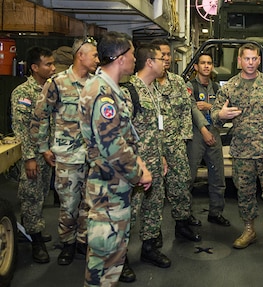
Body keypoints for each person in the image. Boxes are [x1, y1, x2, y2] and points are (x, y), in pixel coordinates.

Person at [78, 31, 152, 286]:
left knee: (112, 258)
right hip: (108, 189)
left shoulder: (110, 89)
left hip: (113, 186)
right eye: (132, 55)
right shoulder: (102, 94)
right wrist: (139, 174)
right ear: (120, 58)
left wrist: (138, 162)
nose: (134, 60)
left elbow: (123, 136)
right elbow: (112, 147)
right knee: (103, 262)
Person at [31, 36, 99, 266]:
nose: (98, 60)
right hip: (68, 156)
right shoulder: (57, 83)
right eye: (94, 55)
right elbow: (40, 115)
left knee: (88, 204)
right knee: (69, 205)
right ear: (81, 55)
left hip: (92, 157)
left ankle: (83, 241)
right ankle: (67, 244)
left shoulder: (97, 83)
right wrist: (42, 148)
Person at [211, 42, 263, 249]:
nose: (251, 63)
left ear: (259, 60)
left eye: (254, 59)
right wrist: (221, 115)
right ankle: (249, 230)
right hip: (242, 151)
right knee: (244, 193)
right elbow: (215, 116)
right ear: (239, 60)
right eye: (247, 59)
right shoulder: (231, 87)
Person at [122, 44, 171, 274]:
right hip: (136, 165)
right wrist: (136, 163)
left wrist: (160, 155)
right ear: (149, 62)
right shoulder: (130, 92)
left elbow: (155, 127)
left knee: (154, 207)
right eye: (161, 58)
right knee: (130, 212)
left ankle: (149, 247)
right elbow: (122, 134)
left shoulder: (155, 90)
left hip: (154, 160)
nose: (165, 62)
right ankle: (119, 259)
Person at [151, 38, 201, 242]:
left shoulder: (178, 82)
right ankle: (153, 233)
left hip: (175, 144)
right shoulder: (146, 84)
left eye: (168, 55)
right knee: (154, 192)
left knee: (180, 185)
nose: (166, 59)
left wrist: (182, 139)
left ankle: (182, 224)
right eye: (161, 55)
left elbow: (186, 111)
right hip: (152, 146)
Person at [11, 46, 56, 264]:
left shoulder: (52, 89)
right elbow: (21, 128)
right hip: (35, 156)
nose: (53, 68)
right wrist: (29, 157)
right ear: (35, 68)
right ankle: (35, 239)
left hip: (50, 152)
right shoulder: (23, 93)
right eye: (48, 64)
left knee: (41, 195)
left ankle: (32, 230)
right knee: (31, 196)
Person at [186, 52, 230, 227]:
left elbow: (222, 109)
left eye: (209, 63)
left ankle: (216, 212)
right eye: (202, 63)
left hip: (214, 132)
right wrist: (204, 130)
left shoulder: (218, 89)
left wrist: (209, 106)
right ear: (196, 67)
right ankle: (186, 215)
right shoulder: (190, 87)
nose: (206, 66)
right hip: (197, 134)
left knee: (218, 176)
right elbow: (192, 109)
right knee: (188, 177)